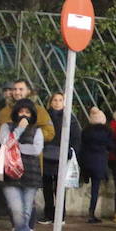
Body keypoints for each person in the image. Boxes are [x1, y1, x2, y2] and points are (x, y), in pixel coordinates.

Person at [0, 98, 44, 231]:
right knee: (16, 208)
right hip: (11, 173)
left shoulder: (37, 130)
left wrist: (17, 147)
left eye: (27, 112)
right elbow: (5, 143)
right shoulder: (7, 127)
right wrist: (18, 130)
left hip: (30, 173)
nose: (24, 115)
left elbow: (36, 150)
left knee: (26, 211)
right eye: (21, 111)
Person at [40, 91, 79, 224]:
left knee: (59, 187)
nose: (57, 103)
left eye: (60, 100)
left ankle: (60, 215)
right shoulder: (44, 117)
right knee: (46, 186)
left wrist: (70, 152)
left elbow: (75, 137)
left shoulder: (70, 118)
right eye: (55, 100)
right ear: (50, 102)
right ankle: (48, 214)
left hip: (62, 156)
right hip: (46, 154)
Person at [79, 107, 115, 223]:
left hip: (86, 160)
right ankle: (91, 212)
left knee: (87, 183)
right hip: (99, 161)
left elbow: (81, 144)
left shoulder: (86, 130)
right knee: (95, 188)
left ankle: (90, 212)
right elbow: (111, 145)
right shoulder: (107, 131)